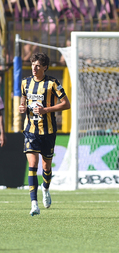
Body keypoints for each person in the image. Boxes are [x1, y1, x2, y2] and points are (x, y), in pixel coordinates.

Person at [19, 52, 70, 216]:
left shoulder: (52, 83)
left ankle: (45, 188)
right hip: (30, 131)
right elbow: (23, 101)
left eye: (38, 65)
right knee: (32, 165)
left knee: (46, 167)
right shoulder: (25, 83)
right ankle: (34, 204)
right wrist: (22, 108)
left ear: (45, 67)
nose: (34, 68)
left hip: (48, 131)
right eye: (33, 64)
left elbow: (66, 104)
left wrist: (45, 110)